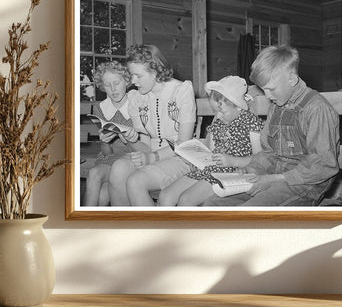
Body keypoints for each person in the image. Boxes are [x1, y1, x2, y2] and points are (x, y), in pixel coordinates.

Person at [204, 45, 340, 207]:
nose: (267, 95)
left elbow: (323, 165)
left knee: (247, 214)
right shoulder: (276, 107)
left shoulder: (316, 109)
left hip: (304, 186)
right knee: (213, 204)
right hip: (273, 175)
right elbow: (268, 153)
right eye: (263, 90)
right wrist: (250, 169)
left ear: (292, 79)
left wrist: (274, 179)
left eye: (271, 89)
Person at [108, 44, 196, 206]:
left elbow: (184, 144)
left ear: (155, 72)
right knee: (117, 169)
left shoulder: (181, 91)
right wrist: (130, 138)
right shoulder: (137, 97)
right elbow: (145, 147)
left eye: (138, 76)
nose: (133, 82)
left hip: (181, 158)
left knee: (135, 181)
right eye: (131, 75)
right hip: (152, 156)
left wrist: (152, 157)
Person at [159, 76, 264, 207]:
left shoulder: (250, 123)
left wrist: (232, 160)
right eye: (215, 111)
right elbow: (211, 152)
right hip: (211, 169)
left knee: (186, 200)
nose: (218, 116)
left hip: (233, 173)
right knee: (165, 196)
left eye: (222, 111)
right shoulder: (218, 123)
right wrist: (197, 161)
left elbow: (260, 159)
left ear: (238, 106)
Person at [83, 61, 149, 206]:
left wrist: (128, 139)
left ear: (126, 81)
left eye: (117, 82)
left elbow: (143, 148)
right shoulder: (102, 108)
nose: (113, 89)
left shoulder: (137, 103)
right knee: (93, 173)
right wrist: (104, 141)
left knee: (101, 196)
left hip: (131, 158)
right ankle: (83, 221)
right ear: (102, 87)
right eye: (107, 85)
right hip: (109, 159)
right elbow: (107, 153)